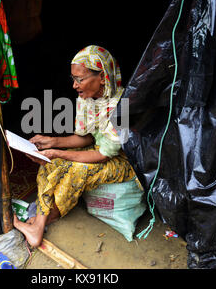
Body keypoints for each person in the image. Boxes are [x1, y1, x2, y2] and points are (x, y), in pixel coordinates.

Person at [13, 45, 137, 247]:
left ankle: (42, 220)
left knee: (75, 170)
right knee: (50, 164)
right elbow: (86, 138)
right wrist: (51, 141)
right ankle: (40, 224)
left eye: (80, 79)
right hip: (97, 150)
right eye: (73, 79)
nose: (75, 85)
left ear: (103, 77)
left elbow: (105, 154)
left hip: (122, 162)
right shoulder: (86, 99)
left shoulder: (123, 107)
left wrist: (58, 153)